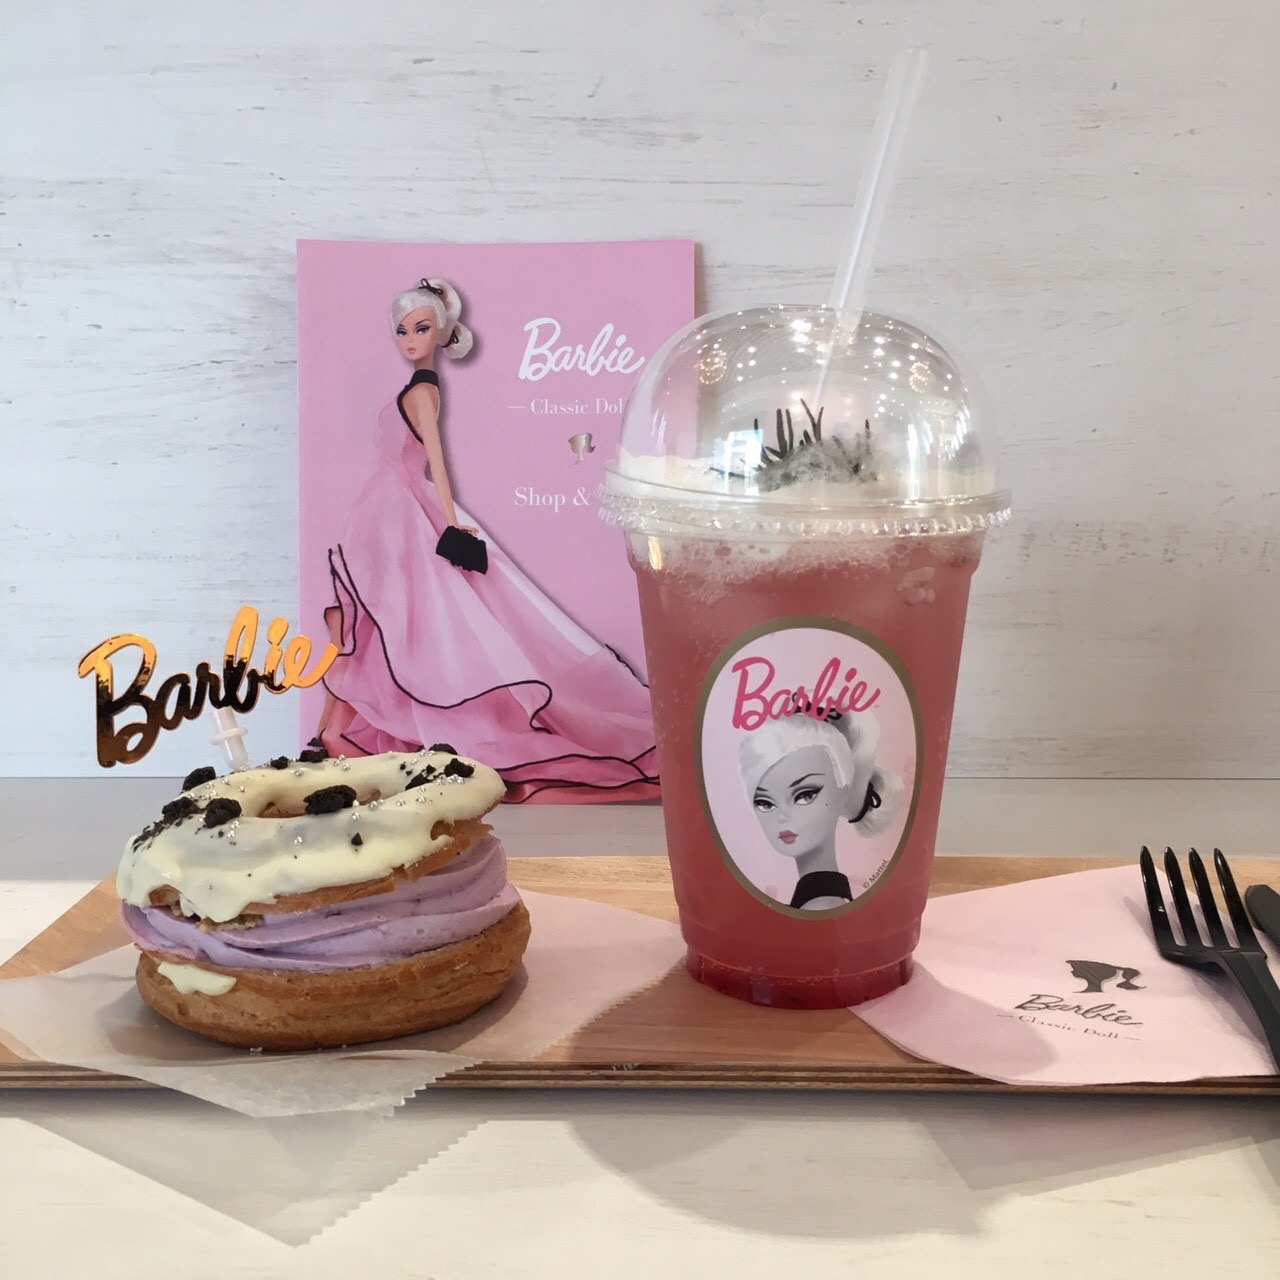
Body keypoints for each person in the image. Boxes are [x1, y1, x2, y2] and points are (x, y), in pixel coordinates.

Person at [316, 278, 658, 802]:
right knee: (384, 620)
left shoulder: (423, 392)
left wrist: (451, 520)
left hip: (402, 511)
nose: (410, 339)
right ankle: (344, 731)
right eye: (402, 330)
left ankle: (365, 729)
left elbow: (435, 461)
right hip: (385, 514)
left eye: (421, 328)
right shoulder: (420, 390)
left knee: (404, 619)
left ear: (442, 332)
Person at [738, 710, 900, 910]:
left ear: (844, 788)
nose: (782, 817)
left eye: (805, 795)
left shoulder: (820, 904)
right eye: (765, 803)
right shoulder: (818, 897)